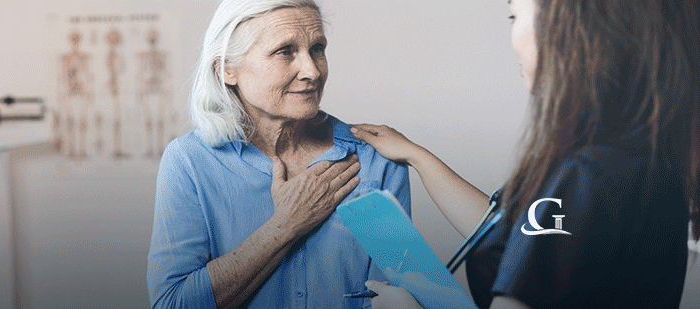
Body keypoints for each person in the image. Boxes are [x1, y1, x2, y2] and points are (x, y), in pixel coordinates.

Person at [352, 0, 699, 308]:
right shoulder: (644, 163)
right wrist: (417, 156)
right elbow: (513, 235)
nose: (512, 38)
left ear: (565, 27)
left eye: (513, 15)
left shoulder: (583, 176)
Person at [147, 1, 411, 308]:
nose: (312, 71)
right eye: (285, 51)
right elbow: (172, 304)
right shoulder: (189, 162)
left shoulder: (376, 160)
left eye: (318, 48)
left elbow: (395, 300)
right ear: (226, 69)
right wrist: (285, 225)